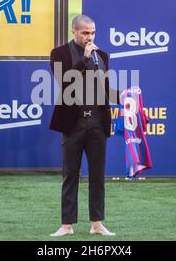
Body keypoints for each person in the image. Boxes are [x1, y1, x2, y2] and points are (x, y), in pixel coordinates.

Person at [49, 15, 117, 236]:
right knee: (71, 174)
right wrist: (83, 60)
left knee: (97, 175)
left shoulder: (102, 56)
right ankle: (66, 225)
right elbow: (66, 82)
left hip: (97, 121)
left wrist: (121, 96)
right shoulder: (58, 54)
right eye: (85, 33)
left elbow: (104, 89)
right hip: (73, 123)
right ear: (74, 32)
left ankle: (97, 223)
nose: (90, 37)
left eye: (93, 32)